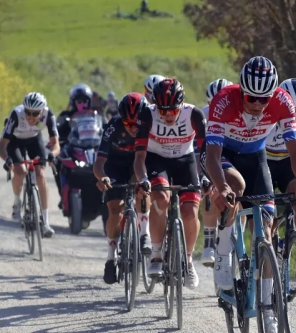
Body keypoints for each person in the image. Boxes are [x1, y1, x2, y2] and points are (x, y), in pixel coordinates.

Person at [203, 56, 296, 333]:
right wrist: (221, 186)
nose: (258, 104)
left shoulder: (282, 101)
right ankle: (224, 253)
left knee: (264, 229)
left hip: (255, 156)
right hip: (223, 155)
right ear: (242, 90)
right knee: (234, 187)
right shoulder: (224, 102)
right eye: (251, 97)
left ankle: (267, 311)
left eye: (264, 99)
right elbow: (212, 157)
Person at [134, 78, 206, 289]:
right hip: (157, 160)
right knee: (160, 197)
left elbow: (205, 153)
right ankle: (156, 254)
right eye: (162, 111)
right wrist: (144, 179)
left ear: (181, 105)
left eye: (172, 111)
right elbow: (139, 158)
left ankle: (189, 261)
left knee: (191, 211)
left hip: (186, 160)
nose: (167, 116)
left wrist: (206, 177)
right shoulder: (147, 114)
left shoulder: (194, 115)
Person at [94, 93, 149, 284]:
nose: (133, 128)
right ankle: (111, 257)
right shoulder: (113, 125)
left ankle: (144, 234)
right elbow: (99, 163)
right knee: (115, 208)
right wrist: (103, 177)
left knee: (143, 186)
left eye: (137, 124)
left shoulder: (150, 124)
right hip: (114, 166)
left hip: (139, 163)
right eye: (128, 124)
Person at [0, 92, 60, 238]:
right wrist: (7, 159)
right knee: (20, 171)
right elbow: (1, 147)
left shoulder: (49, 115)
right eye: (28, 112)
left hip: (34, 140)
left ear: (42, 111)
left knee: (41, 174)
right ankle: (17, 201)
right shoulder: (16, 115)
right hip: (15, 141)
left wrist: (53, 154)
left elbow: (55, 144)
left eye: (35, 113)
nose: (31, 117)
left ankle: (45, 222)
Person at [265, 78, 296, 240]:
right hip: (264, 163)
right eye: (293, 112)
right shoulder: (265, 119)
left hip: (289, 164)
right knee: (266, 213)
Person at [199, 78, 233, 267]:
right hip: (211, 153)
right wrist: (202, 175)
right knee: (211, 188)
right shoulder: (203, 115)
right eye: (212, 104)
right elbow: (199, 149)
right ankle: (209, 239)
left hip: (231, 153)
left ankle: (236, 229)